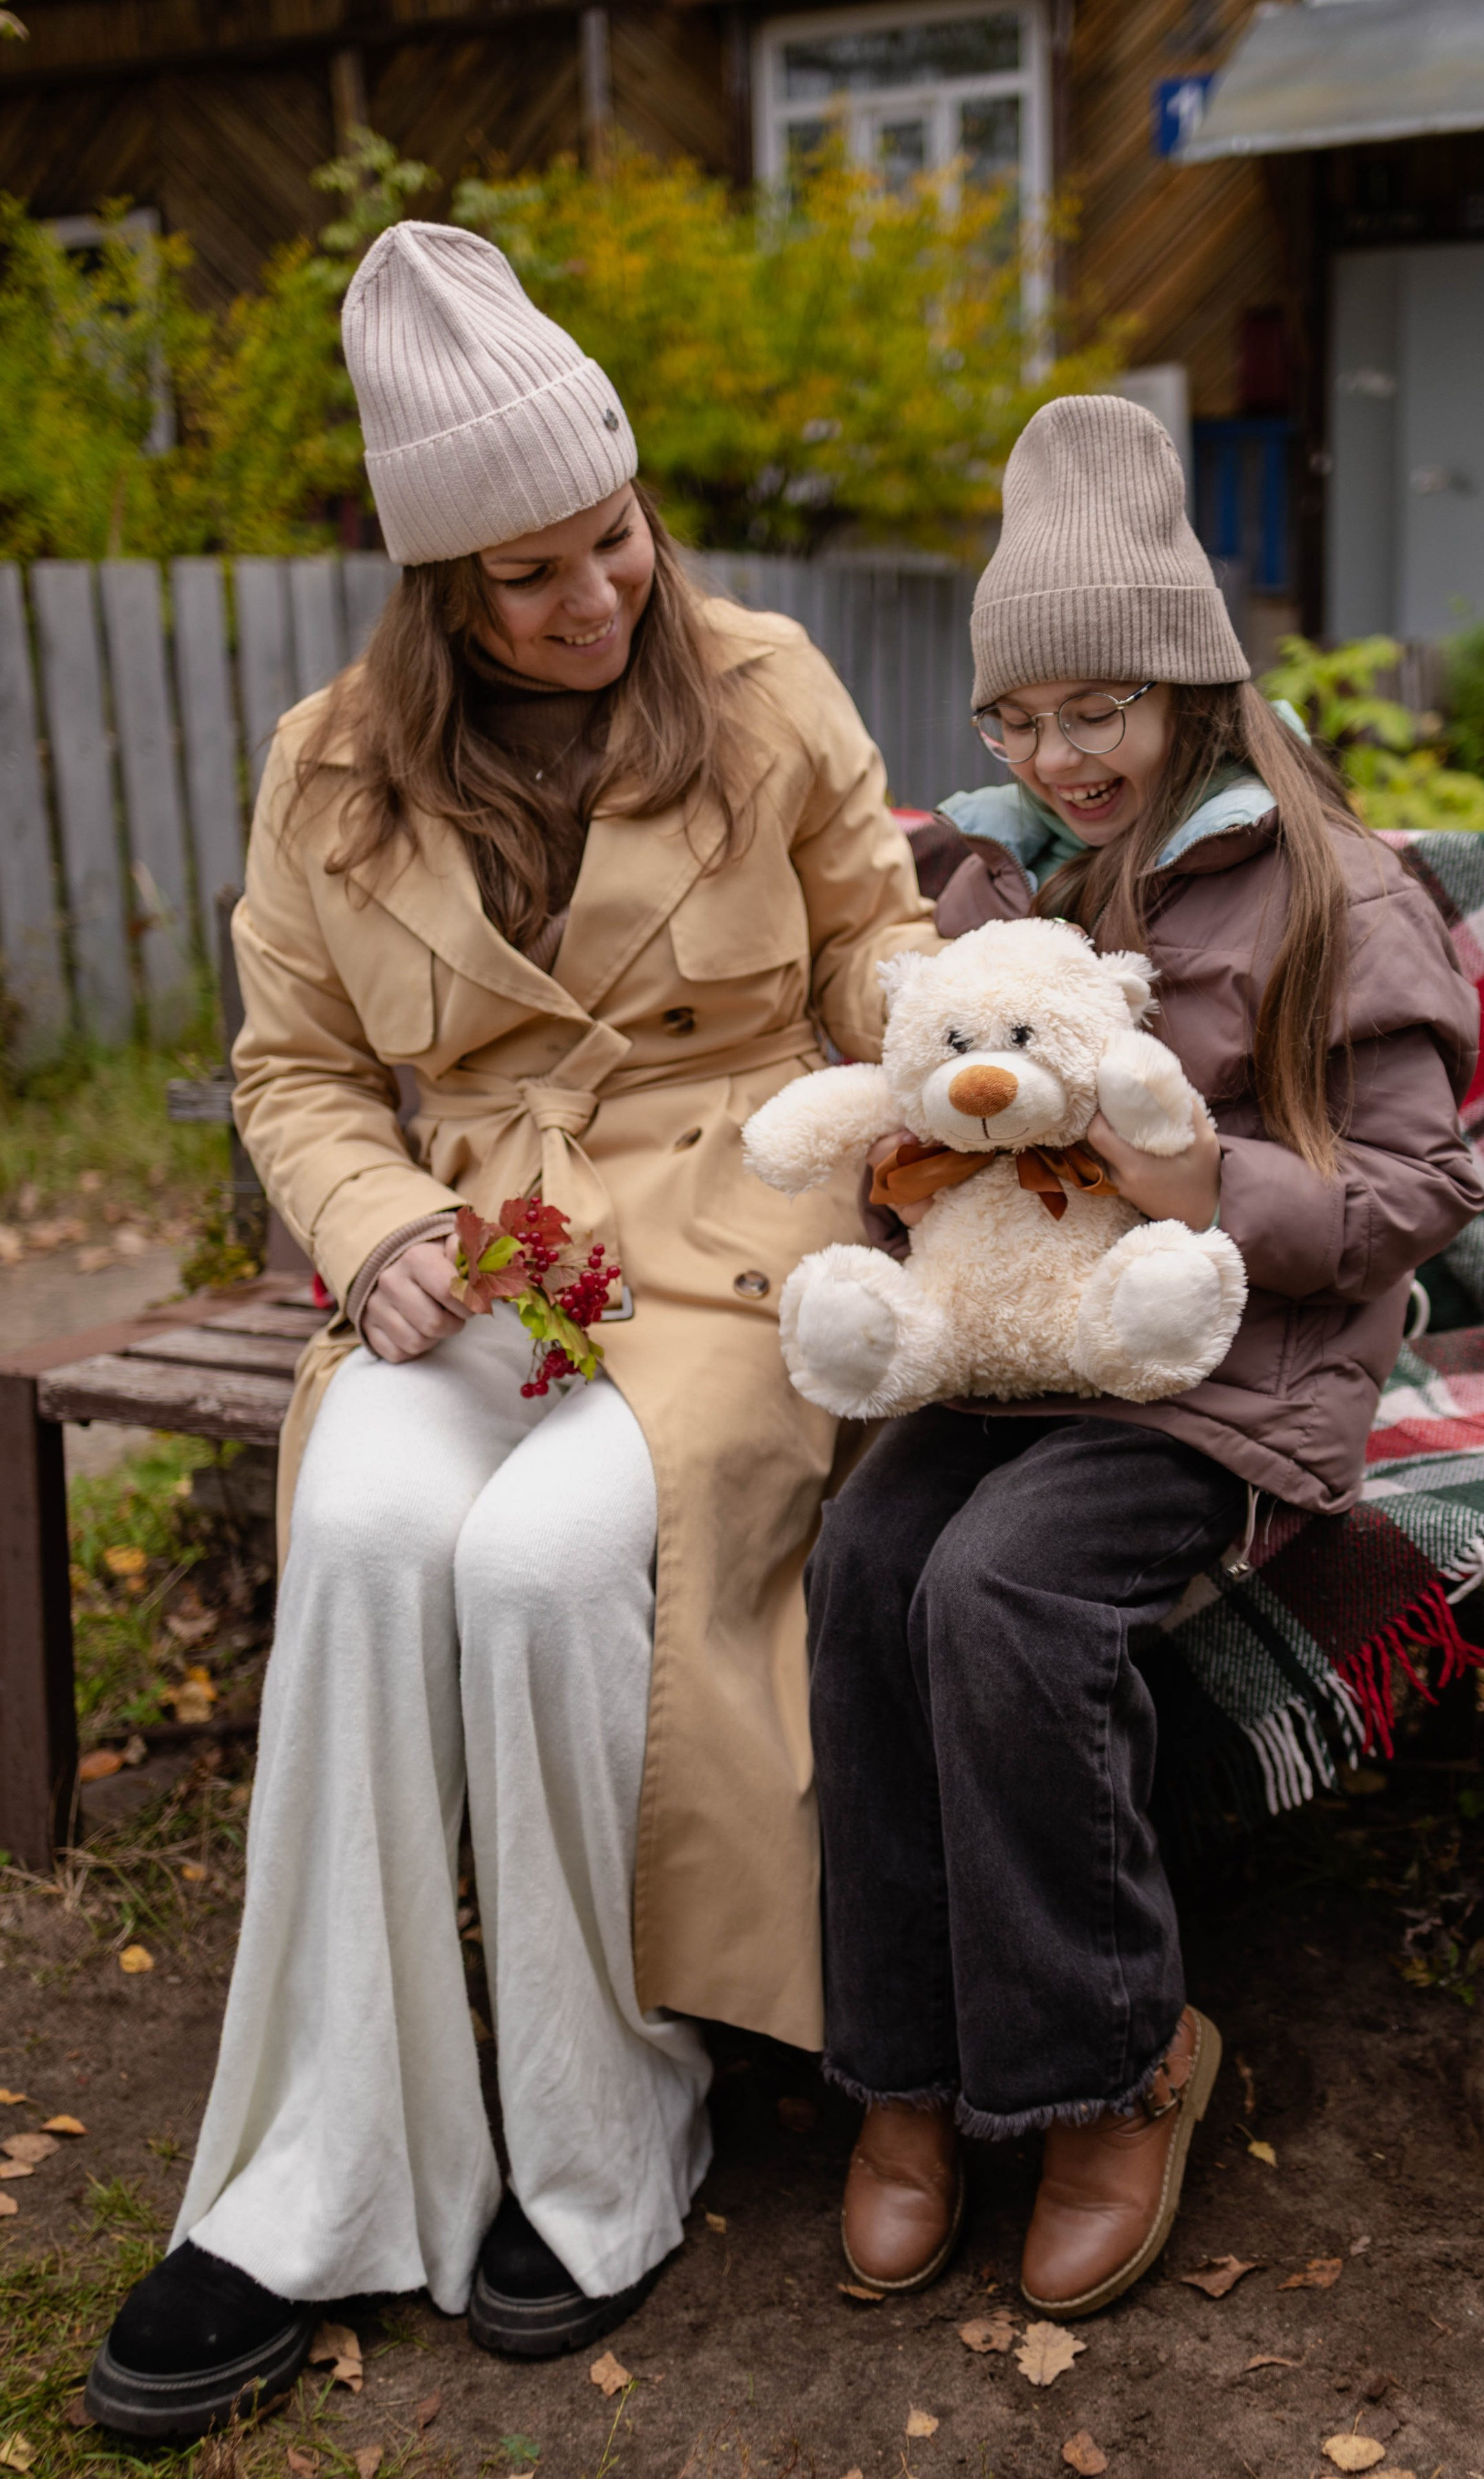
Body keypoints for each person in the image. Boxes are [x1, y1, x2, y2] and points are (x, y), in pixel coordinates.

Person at [85, 222, 937, 2440]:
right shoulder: (331, 766)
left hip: (739, 1231)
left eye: (615, 536)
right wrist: (367, 1228)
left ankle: (602, 2133)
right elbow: (290, 1070)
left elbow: (883, 961)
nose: (598, 597)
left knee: (553, 1563)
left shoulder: (764, 692)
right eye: (532, 576)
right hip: (475, 1249)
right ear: (437, 593)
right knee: (372, 1544)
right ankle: (315, 2181)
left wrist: (944, 1085)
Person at [809, 395, 1484, 2321]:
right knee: (868, 1567)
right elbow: (939, 1117)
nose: (1053, 756)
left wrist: (1214, 1179)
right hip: (1020, 1357)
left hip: (1225, 1366)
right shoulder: (993, 879)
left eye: (1094, 710)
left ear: (1189, 683)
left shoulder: (1332, 889)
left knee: (1006, 1592)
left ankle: (1122, 2064)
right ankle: (910, 2078)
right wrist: (903, 1174)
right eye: (1016, 718)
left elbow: (1422, 1187)